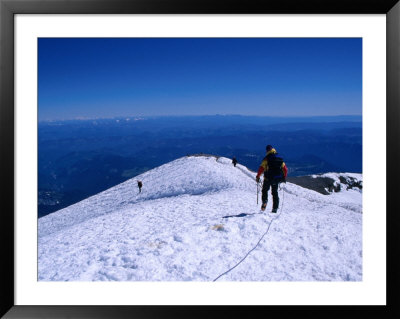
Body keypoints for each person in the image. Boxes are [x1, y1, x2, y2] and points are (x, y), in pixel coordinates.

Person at [256, 145, 288, 213]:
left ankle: (265, 201)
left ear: (267, 150)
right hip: (276, 179)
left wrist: (258, 176)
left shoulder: (266, 158)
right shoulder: (279, 158)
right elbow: (285, 169)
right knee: (275, 193)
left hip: (267, 178)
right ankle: (275, 208)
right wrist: (284, 177)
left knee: (264, 190)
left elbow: (261, 168)